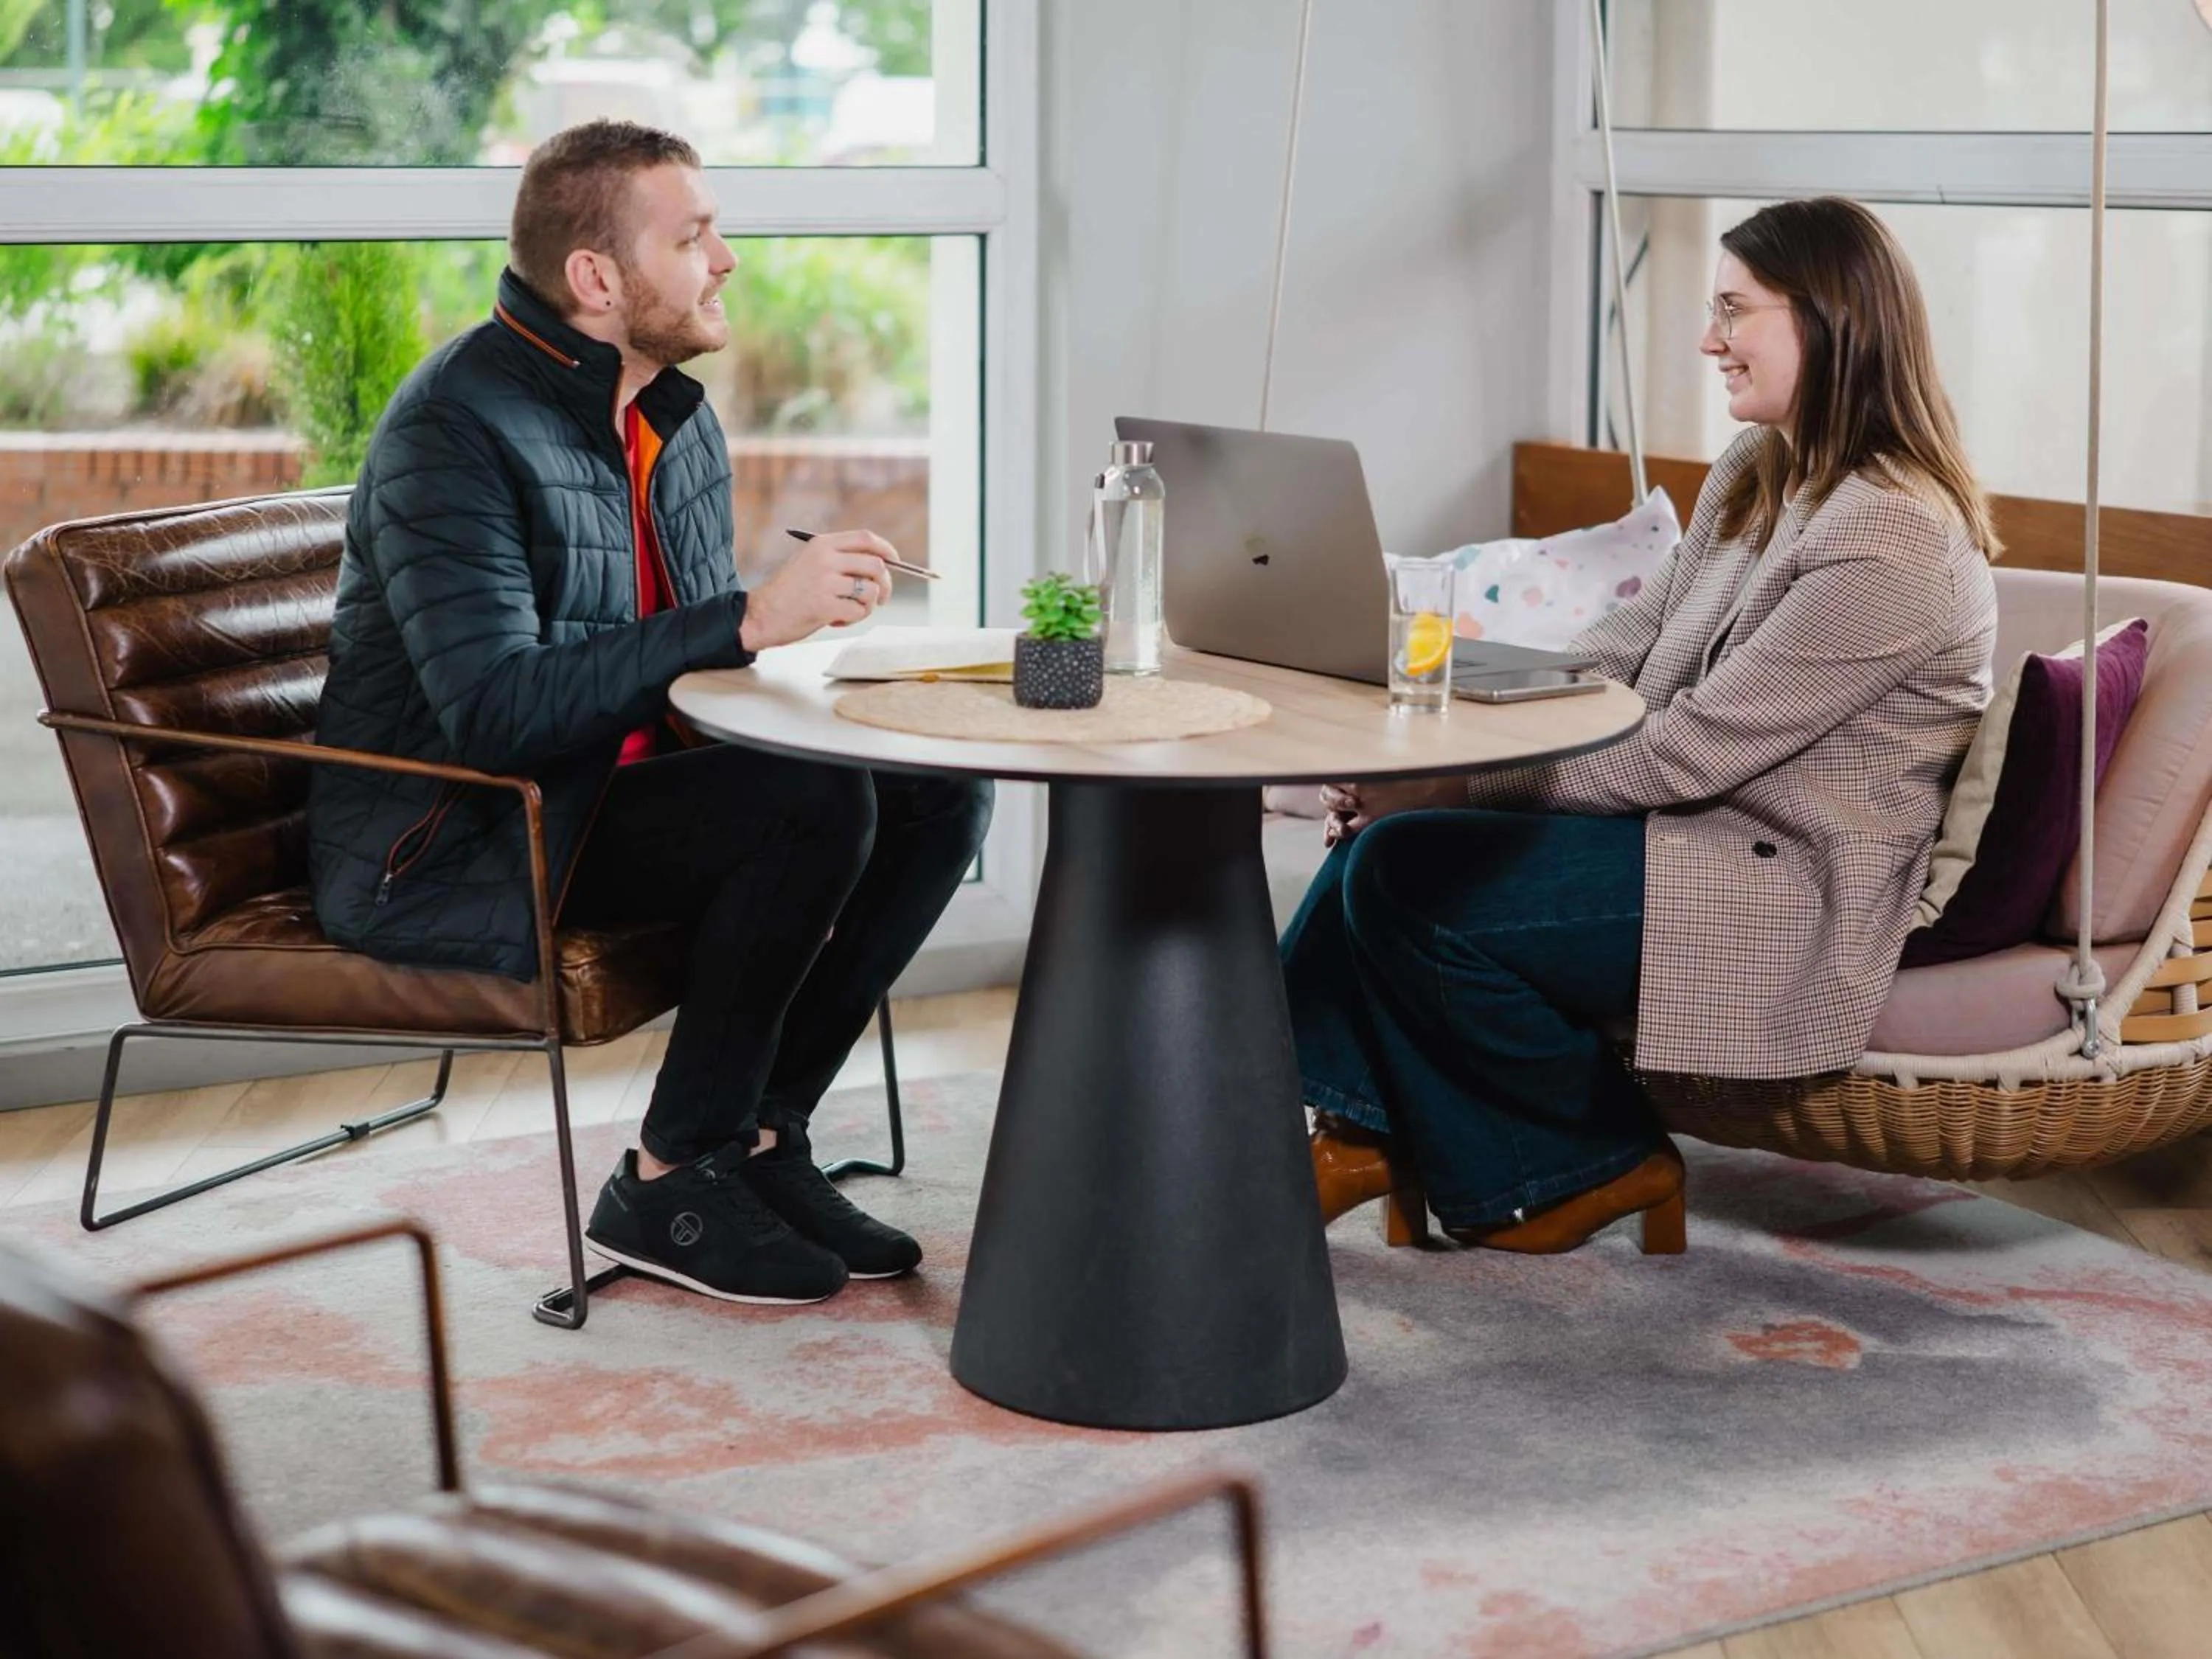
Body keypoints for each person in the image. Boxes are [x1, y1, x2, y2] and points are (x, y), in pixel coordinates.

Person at [307, 120, 992, 1307]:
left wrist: (800, 651)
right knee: (808, 798)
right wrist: (745, 620)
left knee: (937, 783)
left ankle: (762, 1140)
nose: (725, 258)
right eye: (693, 236)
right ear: (597, 278)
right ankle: (667, 1177)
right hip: (466, 835)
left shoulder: (670, 415)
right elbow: (494, 713)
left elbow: (676, 666)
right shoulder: (452, 431)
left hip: (598, 797)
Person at [1284, 196, 1998, 1254]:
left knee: (1407, 878)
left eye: (1733, 311)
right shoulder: (1762, 473)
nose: (1710, 338)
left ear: (1829, 320)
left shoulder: (1891, 541)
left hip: (1784, 884)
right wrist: (1435, 742)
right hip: (1691, 833)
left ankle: (1596, 1157)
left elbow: (1687, 746)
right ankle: (1349, 1131)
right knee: (1382, 853)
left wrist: (1458, 787)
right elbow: (1619, 649)